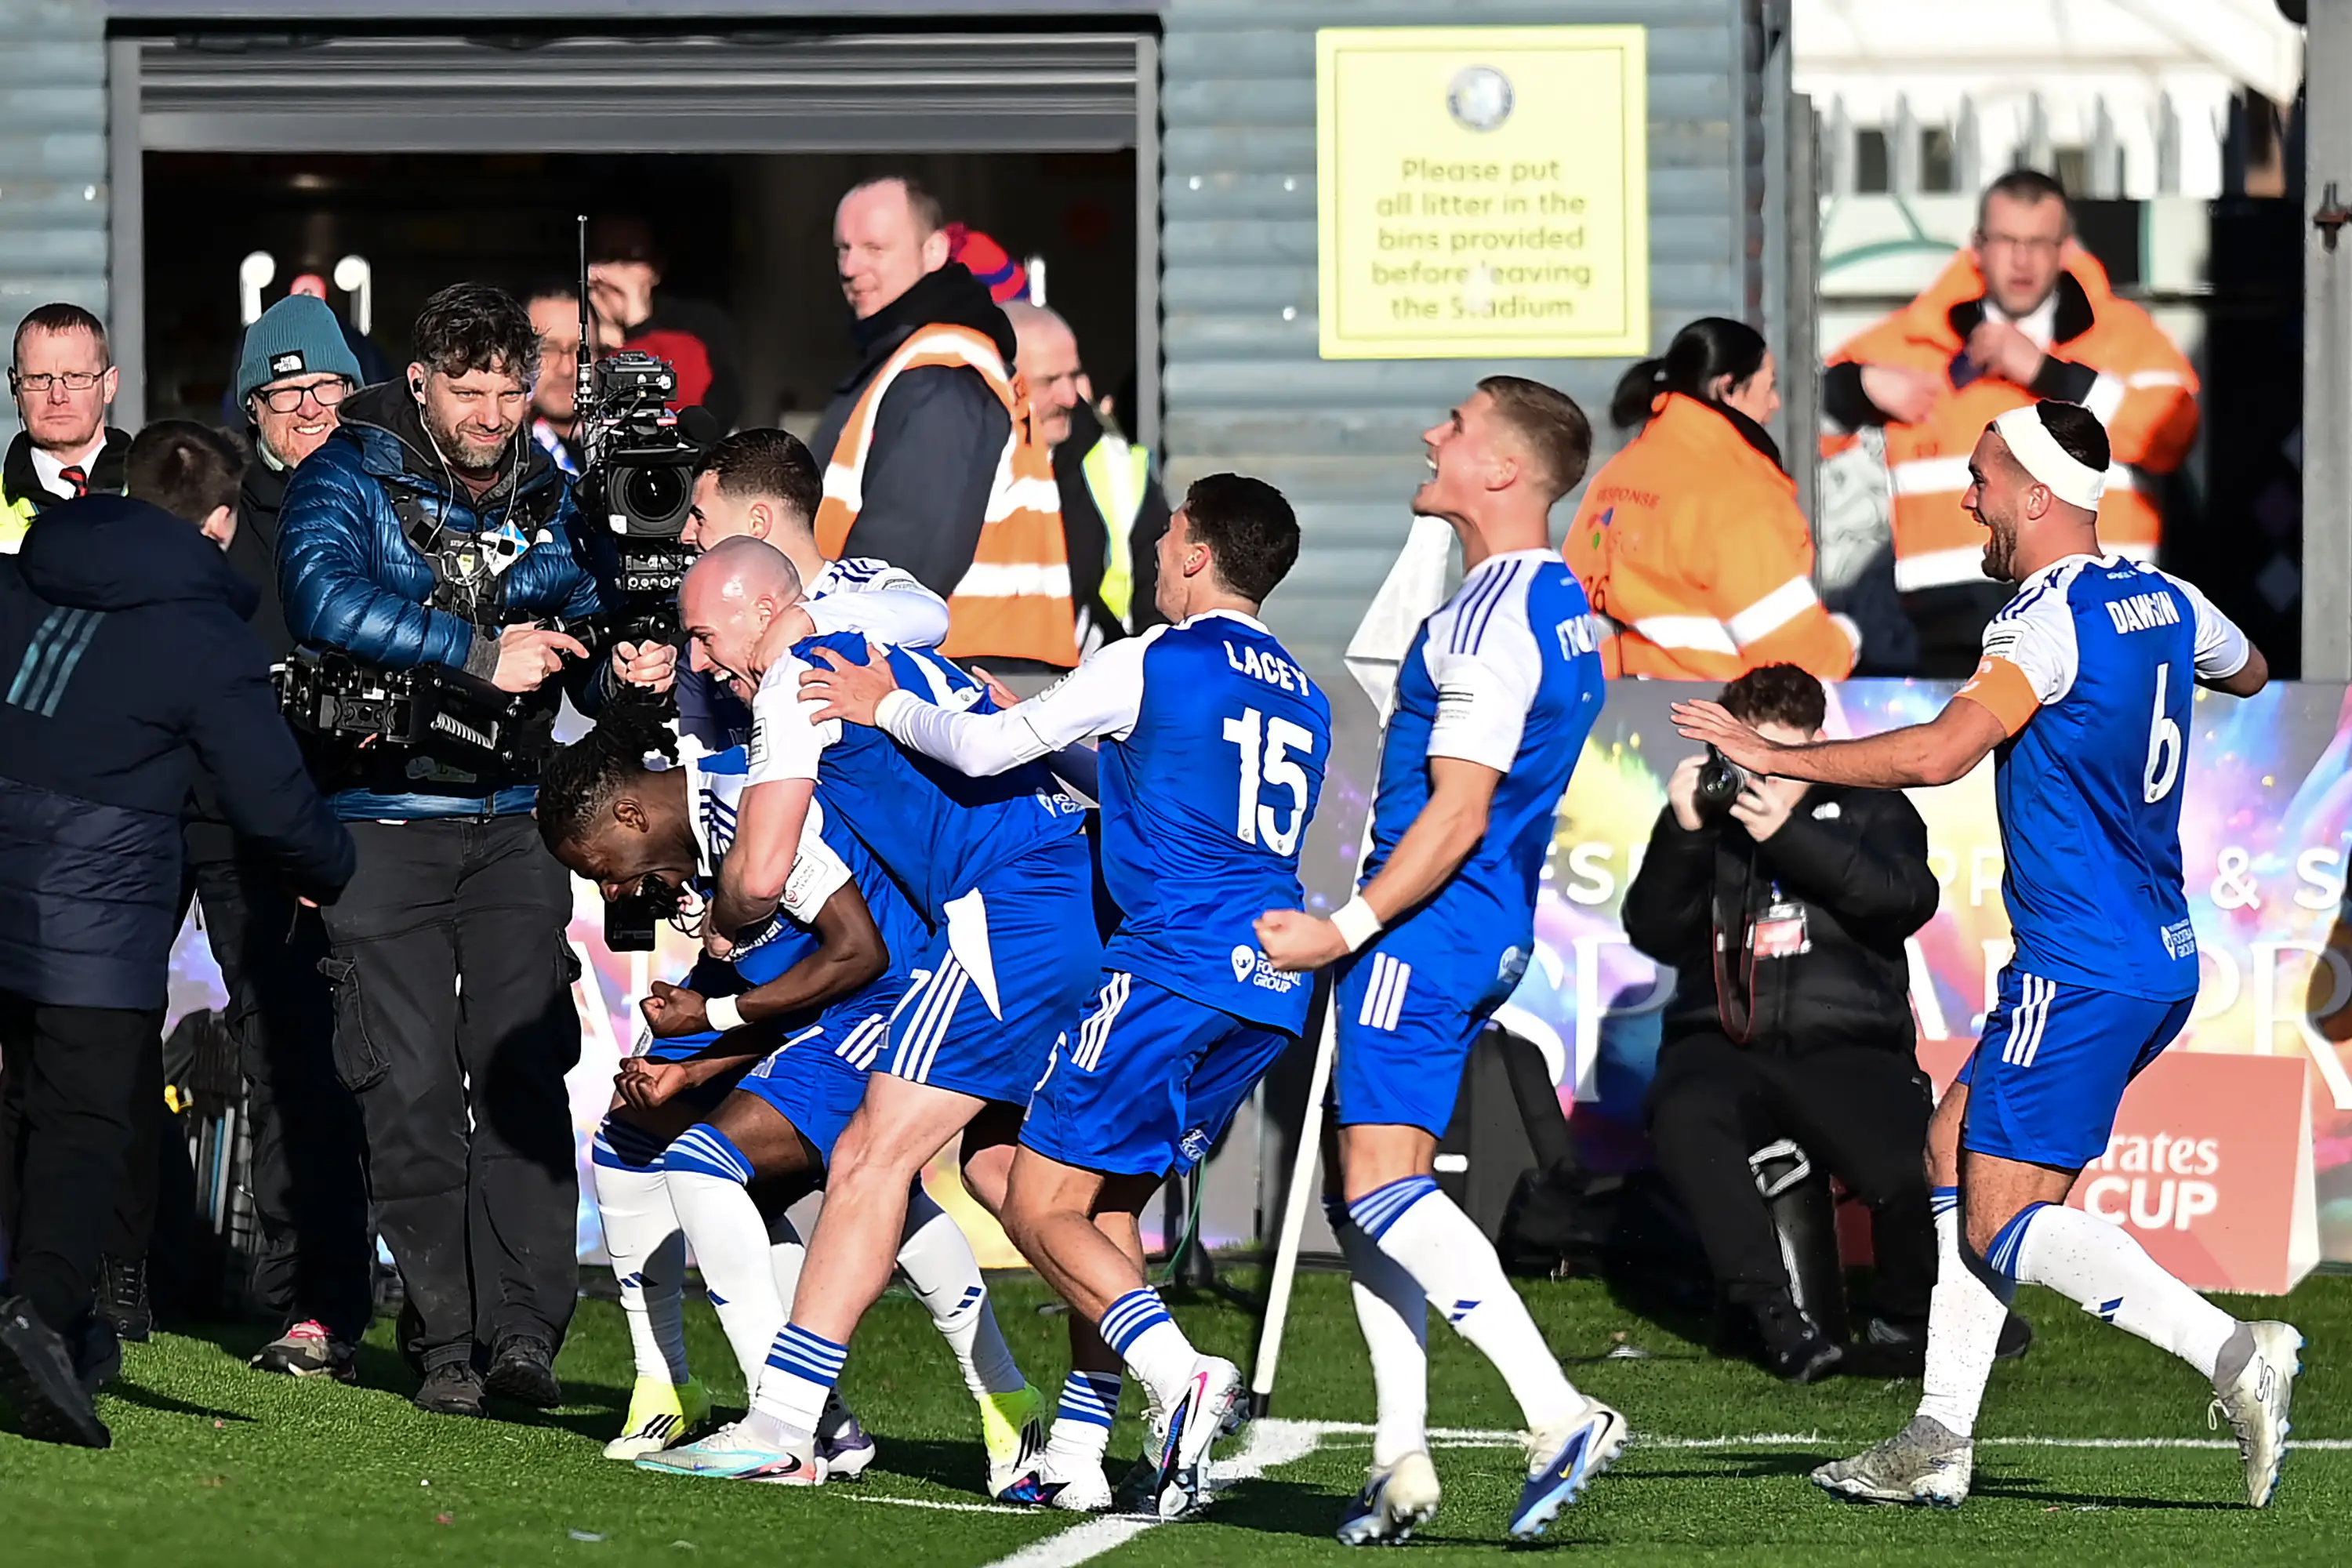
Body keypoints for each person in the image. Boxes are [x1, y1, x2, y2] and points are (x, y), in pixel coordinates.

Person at [1672, 399, 2299, 1510]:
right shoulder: (2165, 597)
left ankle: (2237, 1356)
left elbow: (1940, 753)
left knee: (2002, 1213)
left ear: (2037, 496)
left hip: (2082, 965)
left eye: (1981, 478)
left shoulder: (2041, 620)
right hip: (2154, 956)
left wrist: (1782, 760)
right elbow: (2249, 671)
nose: (1967, 498)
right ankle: (1937, 1440)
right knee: (1951, 1152)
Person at [803, 473, 1328, 1516]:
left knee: (1037, 1202)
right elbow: (1166, 791)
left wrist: (883, 704)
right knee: (1106, 1210)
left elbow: (988, 750)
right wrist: (1066, 738)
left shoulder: (1149, 659)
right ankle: (1083, 1451)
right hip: (1268, 988)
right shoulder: (1300, 689)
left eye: (1168, 530)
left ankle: (1181, 1379)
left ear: (1192, 554)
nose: (1156, 547)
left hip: (1170, 967)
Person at [1254, 376, 1621, 1546]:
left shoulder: (1486, 618)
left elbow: (1457, 810)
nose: (1431, 434)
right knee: (1368, 1194)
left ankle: (1558, 1411)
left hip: (1431, 925)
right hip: (1482, 921)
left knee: (1376, 1188)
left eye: (1457, 429)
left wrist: (1346, 926)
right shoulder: (1555, 600)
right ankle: (1400, 1456)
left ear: (1505, 471)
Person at [648, 537, 1097, 1488]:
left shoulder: (791, 684)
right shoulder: (876, 637)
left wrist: (721, 924)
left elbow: (763, 875)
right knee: (1020, 1176)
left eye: (702, 634)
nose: (696, 661)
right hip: (1065, 901)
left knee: (868, 1156)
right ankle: (1135, 1398)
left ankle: (785, 1420)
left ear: (765, 610)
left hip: (1004, 913)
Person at [538, 712, 1044, 1490]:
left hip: (885, 998)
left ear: (631, 814)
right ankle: (668, 1382)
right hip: (803, 1004)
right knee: (632, 1132)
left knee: (725, 1163)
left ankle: (789, 1424)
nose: (610, 889)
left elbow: (858, 952)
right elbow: (761, 973)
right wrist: (686, 1058)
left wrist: (707, 1036)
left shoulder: (753, 804)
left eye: (602, 865)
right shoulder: (692, 840)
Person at [278, 282, 614, 1417]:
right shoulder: (346, 467)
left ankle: (526, 1338)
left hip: (516, 821)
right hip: (379, 823)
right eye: (468, 391)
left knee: (523, 1076)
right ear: (419, 380)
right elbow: (319, 594)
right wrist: (475, 649)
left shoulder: (557, 490)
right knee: (409, 1094)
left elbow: (588, 628)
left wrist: (626, 668)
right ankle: (446, 1343)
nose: (491, 412)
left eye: (511, 389)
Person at [0, 422, 354, 1448]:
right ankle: (45, 1313)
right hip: (93, 910)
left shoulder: (25, 575)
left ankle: (56, 1318)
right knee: (87, 1118)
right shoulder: (205, 631)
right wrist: (335, 866)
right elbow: (274, 801)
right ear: (217, 521)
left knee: (24, 1106)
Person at [1623, 662, 1940, 1384]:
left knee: (1901, 1168)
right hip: (1724, 1039)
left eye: (1777, 757)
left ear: (1815, 744)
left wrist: (1788, 833)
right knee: (1683, 1113)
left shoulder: (1869, 804)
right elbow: (1653, 930)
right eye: (1745, 756)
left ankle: (1904, 1325)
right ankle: (1777, 1320)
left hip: (1846, 1035)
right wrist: (1683, 832)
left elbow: (1902, 899)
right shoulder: (1712, 816)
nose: (1759, 776)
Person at [176, 295, 374, 1377]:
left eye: (324, 388)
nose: (307, 408)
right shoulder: (217, 521)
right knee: (283, 1061)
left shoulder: (388, 506)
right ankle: (314, 1303)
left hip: (370, 823)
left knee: (391, 1070)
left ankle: (431, 1307)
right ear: (251, 408)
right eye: (285, 392)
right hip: (242, 835)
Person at [1824, 169, 2198, 675]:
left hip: (2099, 624)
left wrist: (2047, 373)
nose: (2022, 261)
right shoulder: (1916, 341)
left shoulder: (2124, 339)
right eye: (2007, 241)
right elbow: (1790, 423)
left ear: (2065, 249)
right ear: (1977, 247)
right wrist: (1860, 385)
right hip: (1950, 635)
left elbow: (2172, 435)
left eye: (2039, 243)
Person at [811, 176, 1076, 673]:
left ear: (934, 251)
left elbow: (901, 566)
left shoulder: (942, 369)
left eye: (874, 247)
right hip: (966, 671)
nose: (851, 267)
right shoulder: (920, 356)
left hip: (950, 678)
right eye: (843, 248)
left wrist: (821, 646)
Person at [1564, 318, 1857, 681]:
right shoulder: (1735, 493)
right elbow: (1800, 660)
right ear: (1727, 389)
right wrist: (1846, 640)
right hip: (1707, 717)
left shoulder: (1614, 477)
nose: (1775, 403)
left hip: (1612, 712)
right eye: (1769, 387)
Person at [661, 427, 949, 750]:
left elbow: (932, 616)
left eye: (700, 518)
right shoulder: (706, 634)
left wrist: (803, 619)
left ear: (757, 522)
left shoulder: (860, 587)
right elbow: (690, 763)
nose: (686, 535)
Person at [1005, 302, 1172, 652]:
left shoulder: (1118, 468)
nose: (1070, 397)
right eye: (1050, 381)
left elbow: (1158, 613)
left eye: (1074, 376)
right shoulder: (954, 466)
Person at [587, 215, 743, 430]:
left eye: (628, 258)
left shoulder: (699, 323)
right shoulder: (572, 317)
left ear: (656, 267)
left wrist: (639, 327)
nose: (609, 274)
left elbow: (718, 409)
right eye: (601, 258)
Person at [3, 303, 132, 551]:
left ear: (109, 385)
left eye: (76, 377)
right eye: (39, 378)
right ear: (15, 388)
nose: (58, 396)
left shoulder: (160, 499)